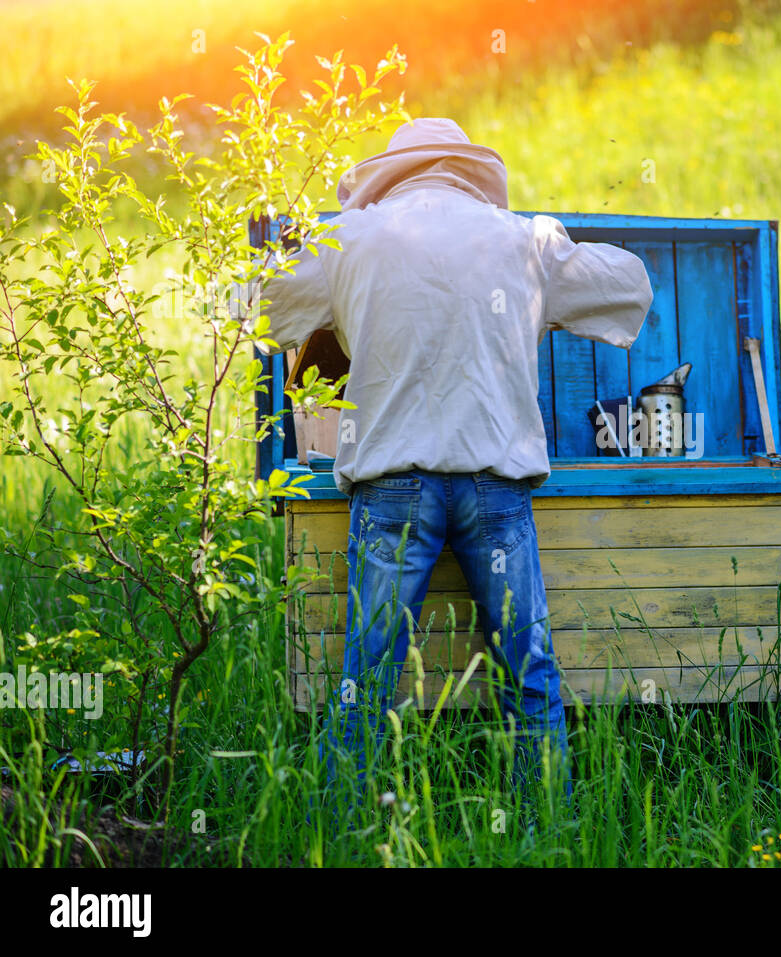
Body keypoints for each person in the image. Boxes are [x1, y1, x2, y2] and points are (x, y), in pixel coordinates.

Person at [255, 118, 653, 821]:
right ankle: (545, 831)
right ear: (467, 170)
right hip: (493, 486)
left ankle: (340, 833)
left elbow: (260, 305)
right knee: (529, 678)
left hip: (391, 489)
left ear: (395, 172)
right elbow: (626, 287)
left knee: (365, 681)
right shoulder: (520, 239)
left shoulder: (352, 239)